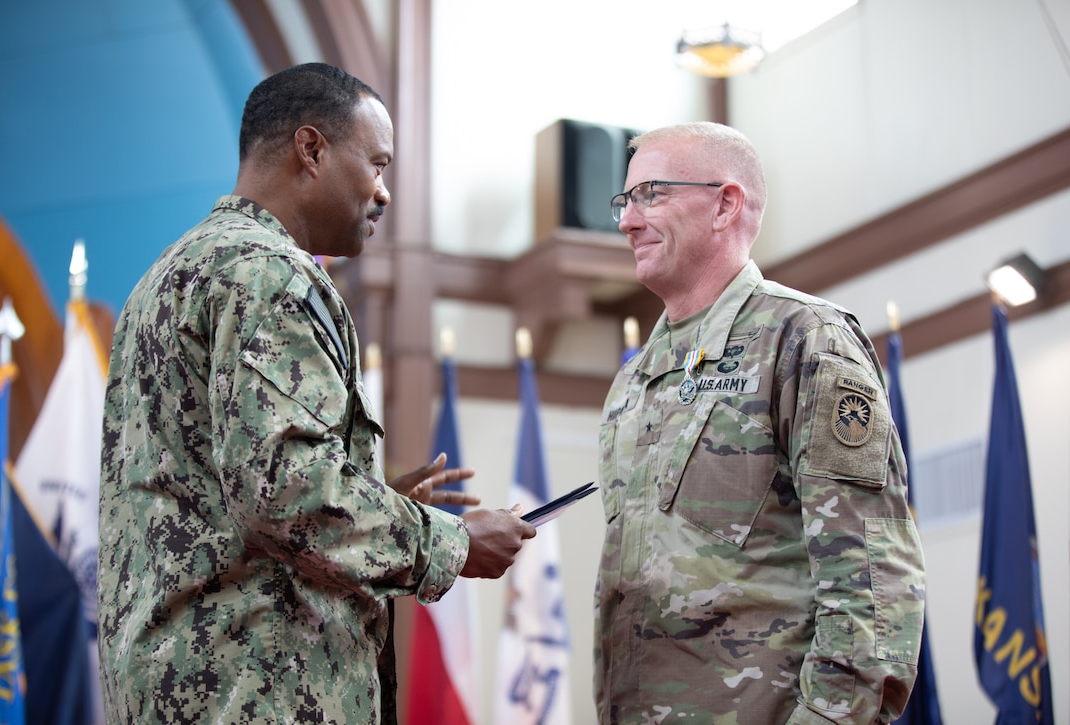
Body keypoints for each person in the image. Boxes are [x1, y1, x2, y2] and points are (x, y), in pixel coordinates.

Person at [97, 63, 536, 724]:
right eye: (377, 164)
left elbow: (212, 490)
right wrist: (454, 542)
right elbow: (287, 491)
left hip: (178, 687)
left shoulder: (166, 277)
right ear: (311, 149)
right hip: (261, 691)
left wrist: (372, 496)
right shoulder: (270, 273)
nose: (384, 193)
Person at [593, 122, 925, 724]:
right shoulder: (635, 381)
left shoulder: (805, 340)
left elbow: (873, 583)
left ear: (725, 204)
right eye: (625, 200)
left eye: (651, 195)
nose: (627, 222)